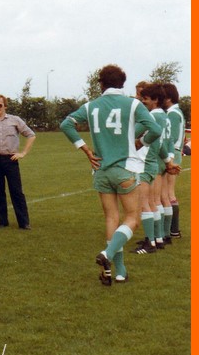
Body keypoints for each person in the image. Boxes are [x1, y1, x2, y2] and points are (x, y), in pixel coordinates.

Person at [60, 64, 161, 286]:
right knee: (132, 218)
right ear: (122, 83)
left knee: (111, 218)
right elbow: (155, 130)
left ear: (101, 83)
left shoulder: (91, 106)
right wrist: (140, 141)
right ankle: (107, 254)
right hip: (126, 169)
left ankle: (119, 270)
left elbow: (66, 124)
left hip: (101, 170)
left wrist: (85, 149)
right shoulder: (133, 104)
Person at [0, 95, 36, 230]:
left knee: (16, 191)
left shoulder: (15, 120)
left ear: (5, 106)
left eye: (0, 105)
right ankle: (2, 221)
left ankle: (24, 222)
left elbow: (31, 135)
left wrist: (23, 153)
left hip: (11, 159)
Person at [133, 83, 178, 254]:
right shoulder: (165, 117)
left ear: (155, 100)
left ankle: (150, 243)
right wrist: (168, 160)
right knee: (154, 202)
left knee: (146, 203)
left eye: (145, 100)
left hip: (146, 161)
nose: (143, 102)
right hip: (156, 161)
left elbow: (132, 133)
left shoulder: (151, 117)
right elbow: (166, 142)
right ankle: (158, 238)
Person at [162, 83, 186, 240]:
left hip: (172, 154)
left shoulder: (172, 114)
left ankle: (173, 230)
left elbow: (172, 138)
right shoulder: (176, 112)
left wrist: (169, 158)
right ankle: (172, 229)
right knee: (168, 192)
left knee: (168, 192)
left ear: (169, 98)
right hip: (175, 153)